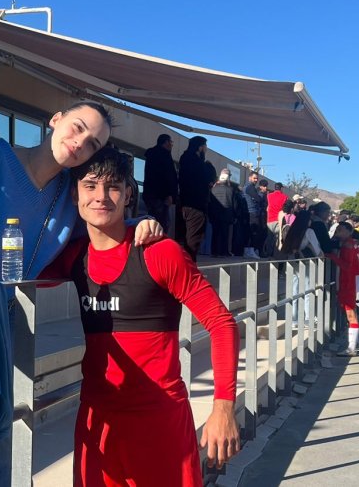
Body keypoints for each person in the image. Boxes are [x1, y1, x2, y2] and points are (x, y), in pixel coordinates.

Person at [0, 100, 164, 487]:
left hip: (4, 318)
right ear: (55, 118)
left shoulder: (66, 197)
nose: (79, 143)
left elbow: (98, 228)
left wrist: (142, 222)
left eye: (92, 143)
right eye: (76, 128)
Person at [45, 146, 240, 486]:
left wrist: (223, 407)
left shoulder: (160, 252)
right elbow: (17, 269)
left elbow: (221, 324)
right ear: (75, 194)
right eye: (90, 185)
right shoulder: (73, 257)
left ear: (128, 194)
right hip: (96, 423)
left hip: (158, 424)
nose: (101, 196)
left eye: (113, 186)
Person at [176, 136, 215, 260]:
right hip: (196, 204)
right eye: (205, 146)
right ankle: (189, 267)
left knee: (184, 236)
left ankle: (183, 264)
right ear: (200, 147)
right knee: (193, 238)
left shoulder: (185, 159)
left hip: (184, 202)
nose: (206, 149)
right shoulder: (198, 163)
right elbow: (207, 178)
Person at [331, 223, 359, 355]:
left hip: (347, 282)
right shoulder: (352, 244)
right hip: (349, 281)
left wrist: (332, 257)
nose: (338, 232)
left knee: (350, 314)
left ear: (349, 231)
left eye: (341, 230)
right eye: (337, 230)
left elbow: (347, 266)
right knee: (350, 313)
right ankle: (355, 341)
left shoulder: (347, 246)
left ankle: (351, 348)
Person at [142, 133, 178, 234]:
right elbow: (166, 176)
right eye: (171, 142)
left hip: (151, 194)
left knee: (153, 223)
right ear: (166, 142)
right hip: (161, 197)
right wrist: (169, 194)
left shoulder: (151, 155)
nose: (172, 145)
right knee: (162, 225)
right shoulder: (164, 155)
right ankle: (159, 247)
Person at [208, 168, 236, 257]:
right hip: (226, 214)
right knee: (224, 234)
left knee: (215, 233)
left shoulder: (213, 189)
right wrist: (234, 216)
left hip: (215, 214)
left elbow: (210, 202)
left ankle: (214, 252)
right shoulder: (231, 190)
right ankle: (224, 251)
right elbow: (233, 204)